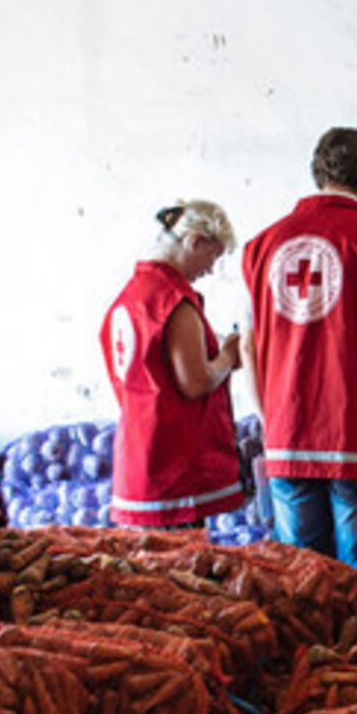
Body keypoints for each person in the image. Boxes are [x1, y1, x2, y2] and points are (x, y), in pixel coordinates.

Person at [241, 127, 357, 594]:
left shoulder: (260, 247)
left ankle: (306, 662)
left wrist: (272, 419)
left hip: (289, 438)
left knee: (301, 584)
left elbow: (248, 346)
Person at [98, 200, 246, 530]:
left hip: (138, 460)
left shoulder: (130, 297)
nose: (211, 269)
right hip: (172, 469)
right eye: (214, 256)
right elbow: (194, 382)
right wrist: (228, 356)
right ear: (195, 241)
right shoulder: (173, 300)